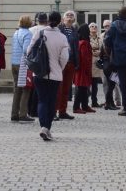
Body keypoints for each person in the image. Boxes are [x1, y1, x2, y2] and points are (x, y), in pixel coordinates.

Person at [32, 10, 70, 141]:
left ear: (47, 20)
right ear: (60, 21)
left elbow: (29, 50)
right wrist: (60, 68)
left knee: (42, 100)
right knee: (52, 101)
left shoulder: (39, 33)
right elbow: (64, 57)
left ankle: (43, 126)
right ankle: (47, 128)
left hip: (39, 73)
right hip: (55, 74)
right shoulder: (62, 37)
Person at [104, 7, 126, 117]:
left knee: (123, 84)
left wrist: (110, 52)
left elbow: (107, 40)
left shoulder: (114, 25)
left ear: (118, 14)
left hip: (119, 58)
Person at [10, 14, 35, 122]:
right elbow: (26, 50)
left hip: (14, 62)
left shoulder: (16, 33)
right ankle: (23, 114)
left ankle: (14, 113)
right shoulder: (28, 33)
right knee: (26, 88)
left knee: (17, 89)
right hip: (23, 63)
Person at [56, 10, 78, 120]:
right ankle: (54, 111)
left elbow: (76, 48)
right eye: (67, 15)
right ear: (63, 18)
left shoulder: (75, 30)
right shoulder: (59, 29)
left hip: (71, 62)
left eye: (71, 15)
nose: (69, 17)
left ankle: (62, 111)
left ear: (74, 19)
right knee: (58, 88)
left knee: (66, 89)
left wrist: (76, 62)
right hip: (60, 62)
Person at [72, 23, 95, 114]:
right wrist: (87, 69)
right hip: (83, 69)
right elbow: (85, 58)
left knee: (84, 88)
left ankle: (85, 105)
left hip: (82, 69)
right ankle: (76, 107)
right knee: (81, 88)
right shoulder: (84, 43)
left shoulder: (81, 42)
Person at [88, 23, 104, 108]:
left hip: (97, 64)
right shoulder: (87, 38)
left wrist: (100, 52)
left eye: (95, 27)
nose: (94, 28)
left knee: (95, 84)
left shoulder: (100, 38)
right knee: (87, 84)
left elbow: (103, 49)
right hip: (88, 63)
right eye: (91, 26)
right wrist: (92, 51)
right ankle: (85, 101)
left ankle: (94, 101)